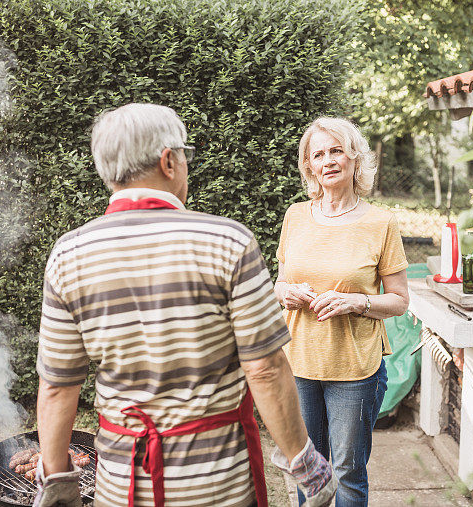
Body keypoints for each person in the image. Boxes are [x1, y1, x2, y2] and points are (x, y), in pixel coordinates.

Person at [33, 103, 336, 507]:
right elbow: (264, 368)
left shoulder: (68, 254)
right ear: (169, 161)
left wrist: (58, 480)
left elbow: (56, 386)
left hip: (122, 487)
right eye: (185, 156)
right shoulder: (229, 242)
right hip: (219, 486)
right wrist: (305, 465)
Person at [274, 117, 410, 506]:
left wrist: (358, 302)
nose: (328, 160)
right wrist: (288, 293)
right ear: (309, 166)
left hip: (354, 369)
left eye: (336, 150)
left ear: (354, 158)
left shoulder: (380, 222)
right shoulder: (295, 216)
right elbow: (279, 284)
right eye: (318, 154)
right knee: (309, 472)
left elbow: (400, 300)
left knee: (348, 474)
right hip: (298, 363)